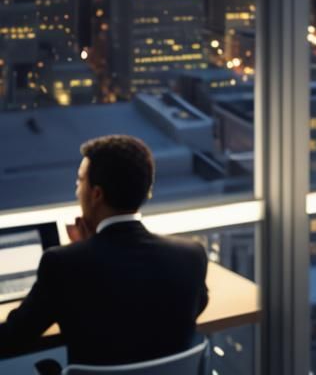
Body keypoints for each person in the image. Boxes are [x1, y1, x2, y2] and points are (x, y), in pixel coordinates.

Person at [0, 135, 209, 373]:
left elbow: (14, 336)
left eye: (80, 181)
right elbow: (194, 306)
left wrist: (84, 250)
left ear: (96, 194)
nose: (77, 190)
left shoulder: (62, 264)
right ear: (146, 190)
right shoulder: (191, 255)